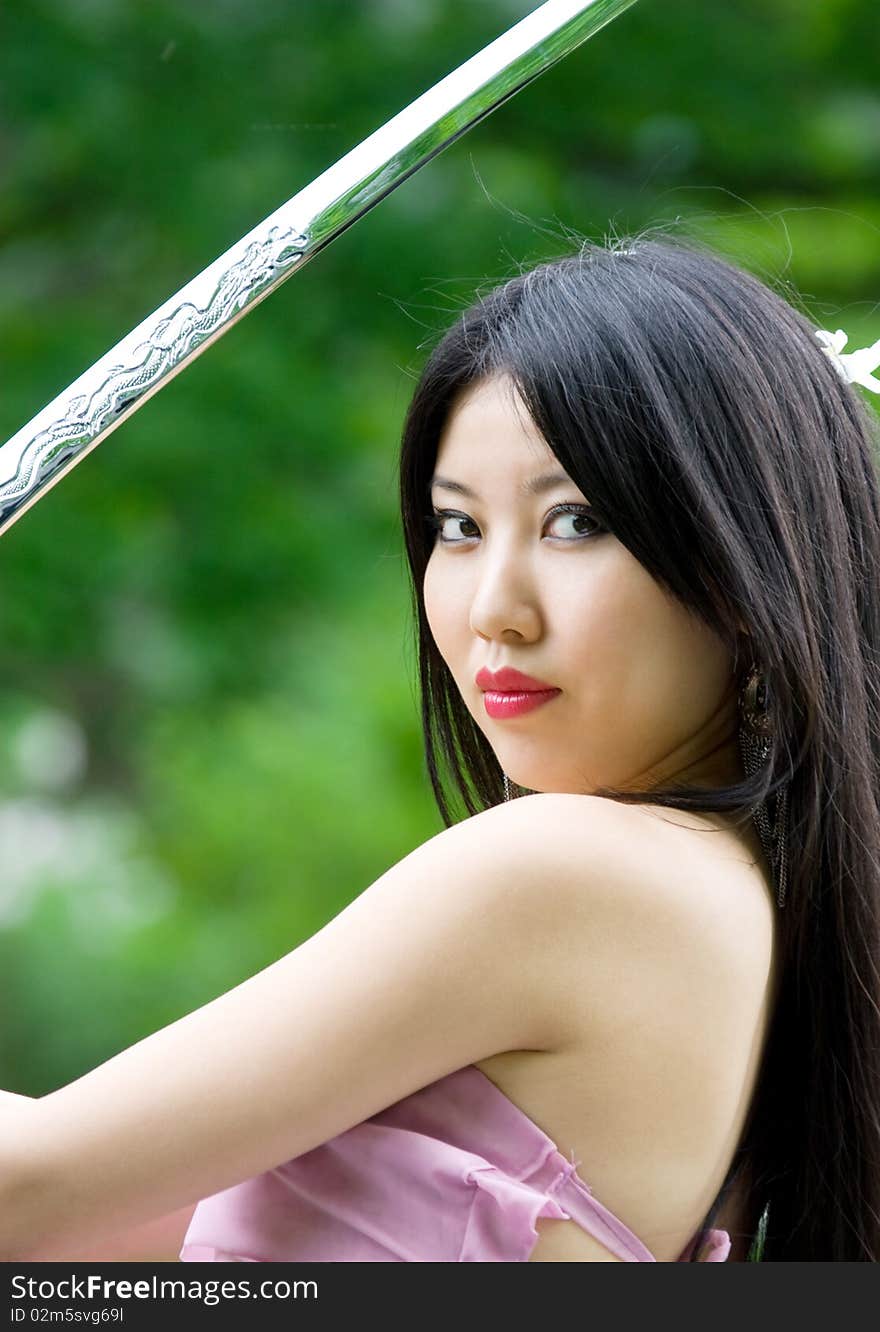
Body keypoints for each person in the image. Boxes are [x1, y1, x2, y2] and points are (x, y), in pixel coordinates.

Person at [3, 230, 879, 1261]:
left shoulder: (570, 873)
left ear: (743, 562)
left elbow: (30, 1190)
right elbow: (100, 1228)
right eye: (457, 528)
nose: (492, 611)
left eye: (576, 522)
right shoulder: (740, 900)